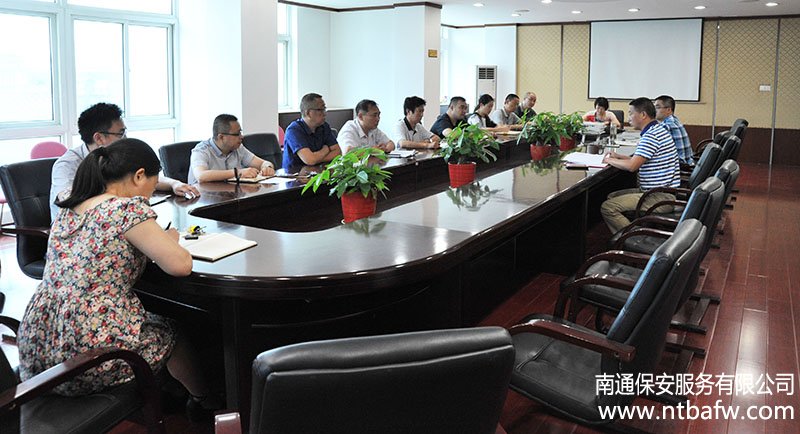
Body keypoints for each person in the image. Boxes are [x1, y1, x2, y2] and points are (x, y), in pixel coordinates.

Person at [19, 138, 220, 417]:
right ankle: (204, 401)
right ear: (139, 176)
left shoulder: (69, 202)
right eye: (152, 185)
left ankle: (170, 389)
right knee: (171, 331)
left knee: (149, 318)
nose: (150, 194)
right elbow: (181, 265)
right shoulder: (126, 210)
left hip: (40, 346)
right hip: (86, 354)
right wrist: (169, 240)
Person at [50, 102, 199, 220]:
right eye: (120, 134)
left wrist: (174, 184)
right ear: (99, 138)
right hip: (75, 233)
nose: (125, 139)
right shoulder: (67, 165)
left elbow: (141, 177)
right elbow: (71, 200)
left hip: (111, 222)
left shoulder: (115, 157)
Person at [600, 97, 680, 233]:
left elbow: (632, 166)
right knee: (612, 196)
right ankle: (635, 228)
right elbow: (641, 159)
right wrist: (619, 157)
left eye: (631, 113)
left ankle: (634, 236)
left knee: (608, 207)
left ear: (643, 115)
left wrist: (607, 160)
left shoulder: (651, 136)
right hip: (660, 192)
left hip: (659, 198)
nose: (629, 118)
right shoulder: (657, 130)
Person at [188, 114, 276, 184]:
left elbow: (263, 163)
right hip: (204, 198)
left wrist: (267, 167)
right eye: (237, 134)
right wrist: (237, 173)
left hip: (229, 196)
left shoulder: (238, 148)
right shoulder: (201, 151)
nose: (241, 137)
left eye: (240, 132)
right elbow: (201, 176)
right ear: (221, 137)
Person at [282, 93, 341, 170]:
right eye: (320, 110)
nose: (325, 113)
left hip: (319, 172)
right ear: (308, 113)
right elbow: (310, 160)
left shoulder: (324, 126)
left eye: (324, 109)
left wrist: (316, 158)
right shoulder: (294, 130)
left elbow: (338, 152)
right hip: (296, 174)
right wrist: (325, 150)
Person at [655, 94, 694, 166]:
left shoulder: (666, 126)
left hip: (678, 166)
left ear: (668, 110)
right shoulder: (675, 120)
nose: (654, 110)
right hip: (688, 162)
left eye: (657, 107)